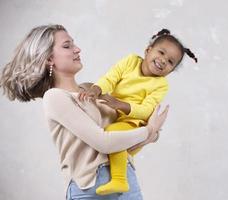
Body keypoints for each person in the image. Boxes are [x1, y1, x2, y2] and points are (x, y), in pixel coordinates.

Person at [0, 24, 169, 200]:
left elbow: (126, 131)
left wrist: (151, 132)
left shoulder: (91, 89)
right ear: (50, 59)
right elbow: (104, 142)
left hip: (127, 181)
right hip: (90, 189)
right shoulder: (55, 97)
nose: (77, 49)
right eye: (67, 46)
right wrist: (149, 131)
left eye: (74, 44)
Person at [78, 29, 197, 195]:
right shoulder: (130, 61)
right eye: (161, 52)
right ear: (148, 50)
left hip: (134, 122)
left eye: (170, 62)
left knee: (113, 134)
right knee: (106, 136)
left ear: (171, 70)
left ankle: (120, 180)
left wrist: (120, 104)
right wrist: (96, 89)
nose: (163, 60)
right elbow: (111, 78)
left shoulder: (161, 84)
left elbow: (146, 110)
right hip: (116, 115)